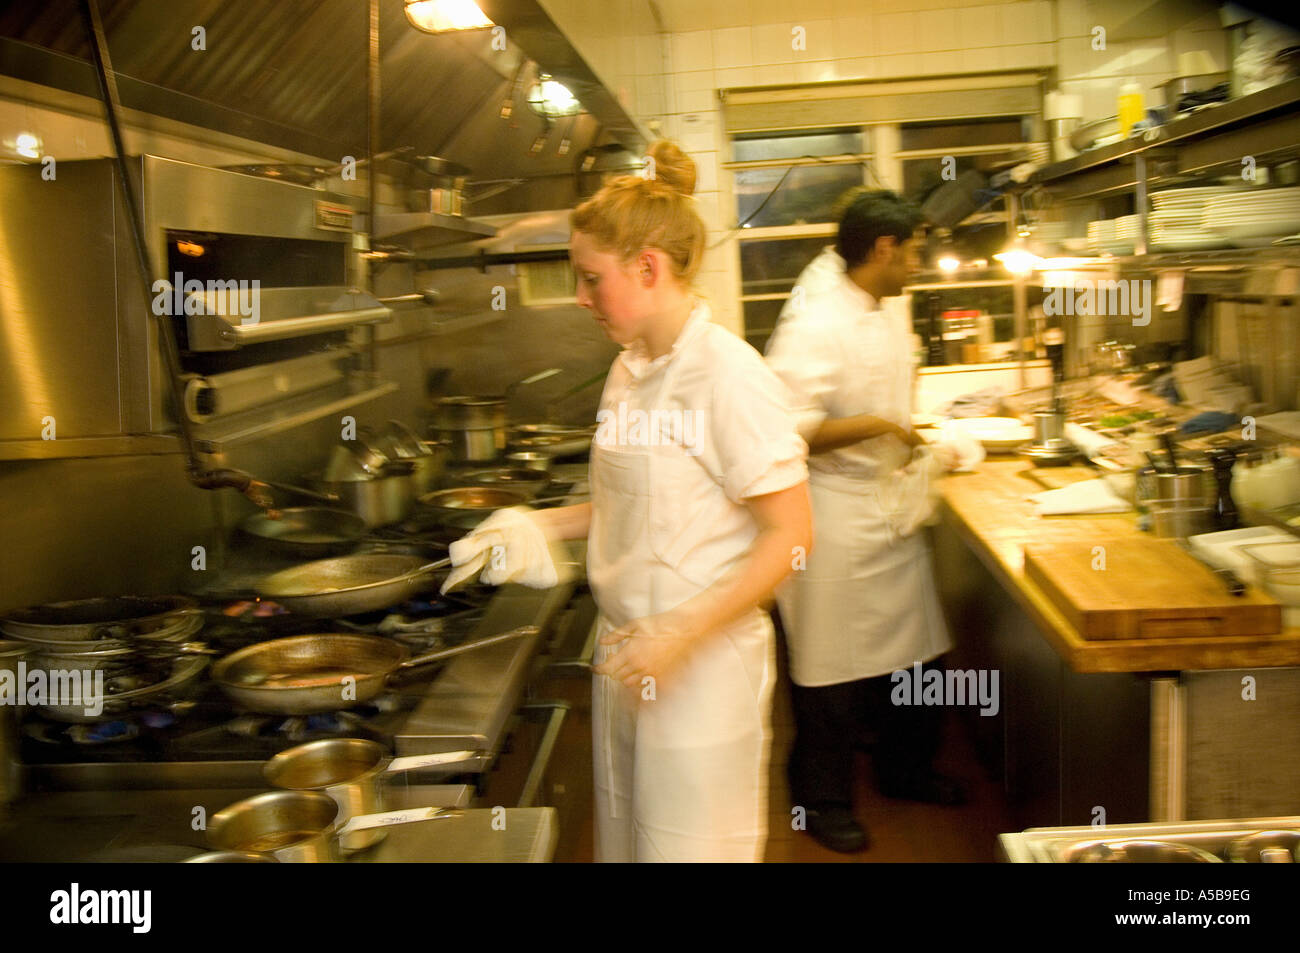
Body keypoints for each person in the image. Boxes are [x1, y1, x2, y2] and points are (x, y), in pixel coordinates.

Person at [442, 141, 813, 862]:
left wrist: (680, 630)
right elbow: (633, 503)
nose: (580, 299)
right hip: (628, 657)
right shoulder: (629, 368)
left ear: (648, 268)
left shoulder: (728, 375)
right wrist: (536, 522)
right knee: (629, 846)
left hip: (700, 669)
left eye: (590, 279)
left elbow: (792, 534)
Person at [764, 188, 965, 855]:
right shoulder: (815, 319)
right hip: (831, 511)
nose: (919, 263)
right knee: (830, 671)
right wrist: (882, 427)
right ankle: (820, 799)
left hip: (884, 504)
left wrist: (908, 436)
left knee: (917, 651)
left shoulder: (880, 305)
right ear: (884, 248)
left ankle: (904, 771)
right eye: (914, 251)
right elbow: (781, 429)